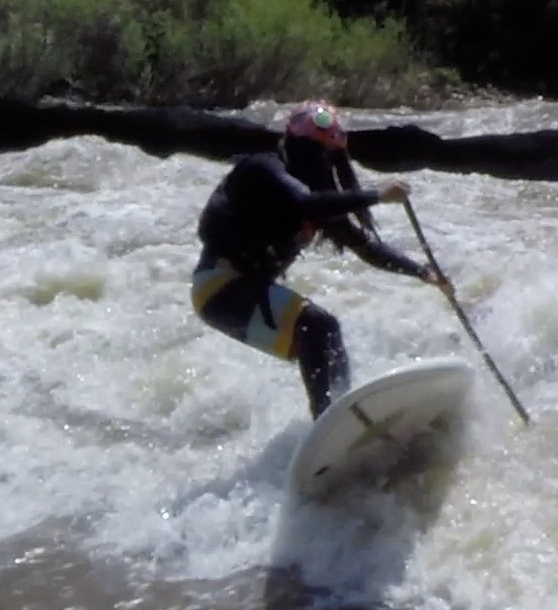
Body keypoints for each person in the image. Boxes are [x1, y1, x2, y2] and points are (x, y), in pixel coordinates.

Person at [191, 101, 447, 418]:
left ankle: (346, 420)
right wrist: (376, 195)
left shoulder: (320, 199)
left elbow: (365, 247)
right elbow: (305, 203)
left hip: (240, 288)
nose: (322, 163)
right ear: (297, 147)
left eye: (329, 157)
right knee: (318, 326)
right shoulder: (265, 168)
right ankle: (329, 418)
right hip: (218, 287)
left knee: (326, 333)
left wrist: (424, 272)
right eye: (315, 152)